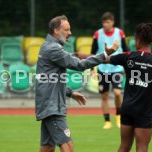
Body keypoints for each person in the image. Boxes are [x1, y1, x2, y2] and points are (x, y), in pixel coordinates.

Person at [35, 15, 119, 152]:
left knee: (47, 148)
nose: (70, 33)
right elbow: (79, 65)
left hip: (49, 104)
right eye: (67, 30)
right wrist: (105, 54)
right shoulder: (53, 49)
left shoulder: (48, 46)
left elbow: (49, 79)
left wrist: (70, 92)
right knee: (68, 145)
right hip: (52, 107)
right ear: (56, 31)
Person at [105, 23, 152, 152]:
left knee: (124, 147)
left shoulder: (128, 56)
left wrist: (78, 57)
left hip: (127, 108)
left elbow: (103, 59)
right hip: (144, 111)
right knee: (142, 148)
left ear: (137, 38)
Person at [91, 12, 130, 129]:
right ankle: (107, 121)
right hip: (102, 69)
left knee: (118, 93)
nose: (105, 24)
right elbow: (92, 52)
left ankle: (118, 116)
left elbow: (126, 50)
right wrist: (92, 69)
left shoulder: (120, 33)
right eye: (103, 22)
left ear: (112, 22)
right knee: (104, 96)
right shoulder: (98, 34)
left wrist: (128, 66)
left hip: (117, 68)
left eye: (107, 22)